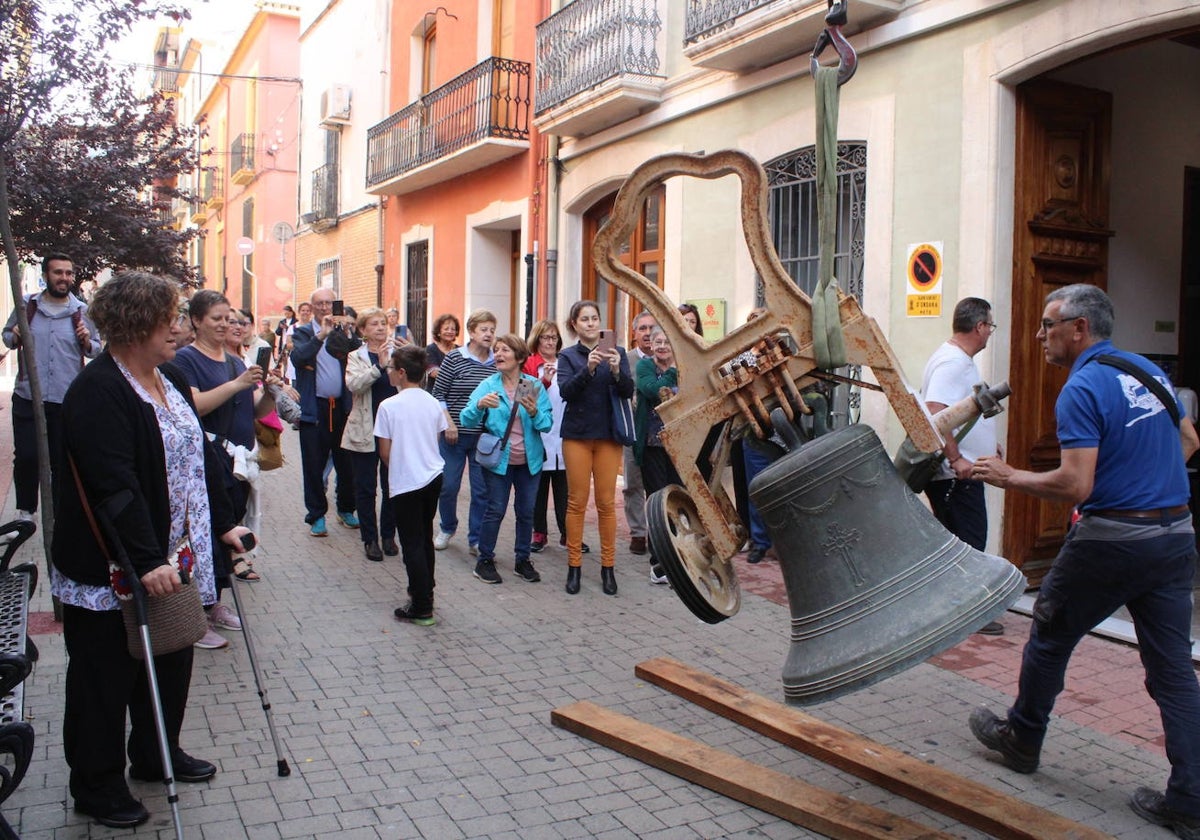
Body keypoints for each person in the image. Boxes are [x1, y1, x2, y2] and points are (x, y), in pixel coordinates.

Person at [968, 284, 1200, 839]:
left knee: (1049, 632)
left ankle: (1021, 739)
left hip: (1112, 540)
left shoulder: (1082, 386)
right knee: (1172, 671)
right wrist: (1141, 481)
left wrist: (1009, 476)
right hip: (1174, 536)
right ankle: (1189, 802)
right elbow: (1188, 439)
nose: (1041, 335)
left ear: (1080, 329)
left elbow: (1075, 484)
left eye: (1049, 325)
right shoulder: (1148, 371)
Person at [53, 271, 251, 829]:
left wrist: (225, 522)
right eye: (168, 316)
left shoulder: (164, 375)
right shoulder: (99, 391)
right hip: (113, 565)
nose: (178, 326)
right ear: (136, 323)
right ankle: (96, 783)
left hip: (175, 557)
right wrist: (145, 560)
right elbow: (112, 486)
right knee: (104, 677)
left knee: (170, 660)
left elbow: (199, 454)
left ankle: (156, 751)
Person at [175, 291, 276, 648]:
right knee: (206, 538)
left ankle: (215, 603)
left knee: (229, 535)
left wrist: (271, 391)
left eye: (229, 319)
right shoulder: (186, 359)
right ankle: (197, 615)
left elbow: (256, 410)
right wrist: (237, 384)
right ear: (198, 320)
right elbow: (194, 405)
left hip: (238, 464)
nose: (225, 325)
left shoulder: (234, 361)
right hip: (208, 461)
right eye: (217, 318)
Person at [922, 297, 1003, 635]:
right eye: (990, 326)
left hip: (964, 470)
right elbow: (935, 410)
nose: (990, 333)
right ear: (979, 327)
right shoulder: (952, 362)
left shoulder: (959, 359)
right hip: (956, 475)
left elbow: (960, 411)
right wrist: (956, 458)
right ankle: (968, 614)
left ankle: (952, 611)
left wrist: (985, 441)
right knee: (969, 542)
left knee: (961, 541)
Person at [2, 252, 100, 522]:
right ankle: (26, 513)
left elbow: (97, 349)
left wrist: (87, 341)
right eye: (58, 273)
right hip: (28, 396)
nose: (64, 278)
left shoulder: (81, 311)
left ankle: (60, 513)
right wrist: (15, 335)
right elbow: (8, 336)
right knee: (27, 456)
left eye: (68, 273)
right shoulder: (26, 306)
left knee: (60, 461)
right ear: (46, 276)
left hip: (65, 399)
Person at [460, 334, 553, 585]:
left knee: (526, 512)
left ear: (520, 357)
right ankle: (485, 561)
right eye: (497, 350)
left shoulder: (531, 385)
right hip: (498, 461)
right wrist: (479, 405)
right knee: (495, 510)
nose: (498, 354)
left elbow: (547, 425)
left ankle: (522, 560)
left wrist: (534, 412)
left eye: (505, 350)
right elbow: (466, 420)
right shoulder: (490, 385)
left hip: (529, 462)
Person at [558, 300, 635, 596]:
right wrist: (588, 368)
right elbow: (566, 392)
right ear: (575, 325)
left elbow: (628, 391)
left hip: (608, 436)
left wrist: (617, 371)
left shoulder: (618, 353)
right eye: (584, 319)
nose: (591, 323)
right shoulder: (568, 357)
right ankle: (574, 566)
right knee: (576, 502)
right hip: (577, 436)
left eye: (595, 318)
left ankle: (608, 568)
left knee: (606, 504)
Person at [375, 345, 448, 626]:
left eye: (391, 368)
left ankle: (421, 605)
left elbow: (385, 452)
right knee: (425, 536)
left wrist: (402, 468)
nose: (389, 373)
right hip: (433, 476)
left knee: (412, 543)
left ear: (402, 373)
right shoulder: (432, 402)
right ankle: (426, 589)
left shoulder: (388, 406)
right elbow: (436, 437)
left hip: (407, 481)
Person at [290, 288, 359, 537]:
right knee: (314, 465)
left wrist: (347, 333)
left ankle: (346, 509)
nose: (324, 307)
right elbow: (298, 358)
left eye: (328, 302)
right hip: (314, 409)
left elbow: (356, 355)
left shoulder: (343, 331)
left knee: (347, 462)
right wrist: (321, 335)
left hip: (342, 407)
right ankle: (317, 515)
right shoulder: (303, 333)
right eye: (319, 303)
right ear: (312, 306)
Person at [431, 309, 497, 554]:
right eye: (484, 329)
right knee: (448, 485)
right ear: (471, 332)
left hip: (483, 436)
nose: (489, 334)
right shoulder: (454, 358)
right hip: (453, 434)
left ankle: (476, 538)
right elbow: (438, 394)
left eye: (492, 330)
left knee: (481, 490)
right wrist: (448, 423)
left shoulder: (496, 361)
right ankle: (447, 527)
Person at [523, 320, 589, 555]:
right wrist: (544, 381)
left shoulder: (566, 362)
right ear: (537, 340)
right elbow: (523, 398)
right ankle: (538, 533)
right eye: (545, 337)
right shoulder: (529, 363)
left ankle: (568, 533)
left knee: (566, 489)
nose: (550, 342)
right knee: (538, 489)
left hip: (566, 432)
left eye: (554, 337)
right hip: (539, 434)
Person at [343, 308, 399, 562]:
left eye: (383, 323)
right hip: (364, 428)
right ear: (363, 331)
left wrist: (398, 362)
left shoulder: (398, 353)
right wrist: (380, 366)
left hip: (393, 431)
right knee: (366, 488)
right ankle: (370, 539)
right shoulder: (356, 356)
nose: (379, 328)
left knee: (393, 486)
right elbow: (354, 384)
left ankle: (388, 535)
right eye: (373, 324)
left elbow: (411, 385)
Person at [635, 326, 681, 584]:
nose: (662, 346)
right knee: (657, 503)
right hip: (652, 445)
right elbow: (652, 390)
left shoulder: (682, 367)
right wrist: (674, 370)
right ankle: (659, 564)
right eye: (658, 342)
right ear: (651, 345)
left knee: (676, 501)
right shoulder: (644, 368)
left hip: (678, 445)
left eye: (667, 341)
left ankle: (677, 559)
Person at [622, 311, 657, 556]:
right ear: (634, 334)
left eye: (651, 329)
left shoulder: (668, 357)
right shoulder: (626, 359)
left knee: (656, 484)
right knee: (633, 483)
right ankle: (638, 533)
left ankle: (658, 532)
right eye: (642, 329)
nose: (647, 333)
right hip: (633, 431)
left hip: (660, 433)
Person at [425, 312, 461, 391]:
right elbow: (434, 373)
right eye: (446, 329)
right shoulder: (430, 349)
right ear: (438, 332)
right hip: (435, 394)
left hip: (456, 396)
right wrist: (459, 375)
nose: (450, 331)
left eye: (453, 329)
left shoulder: (461, 351)